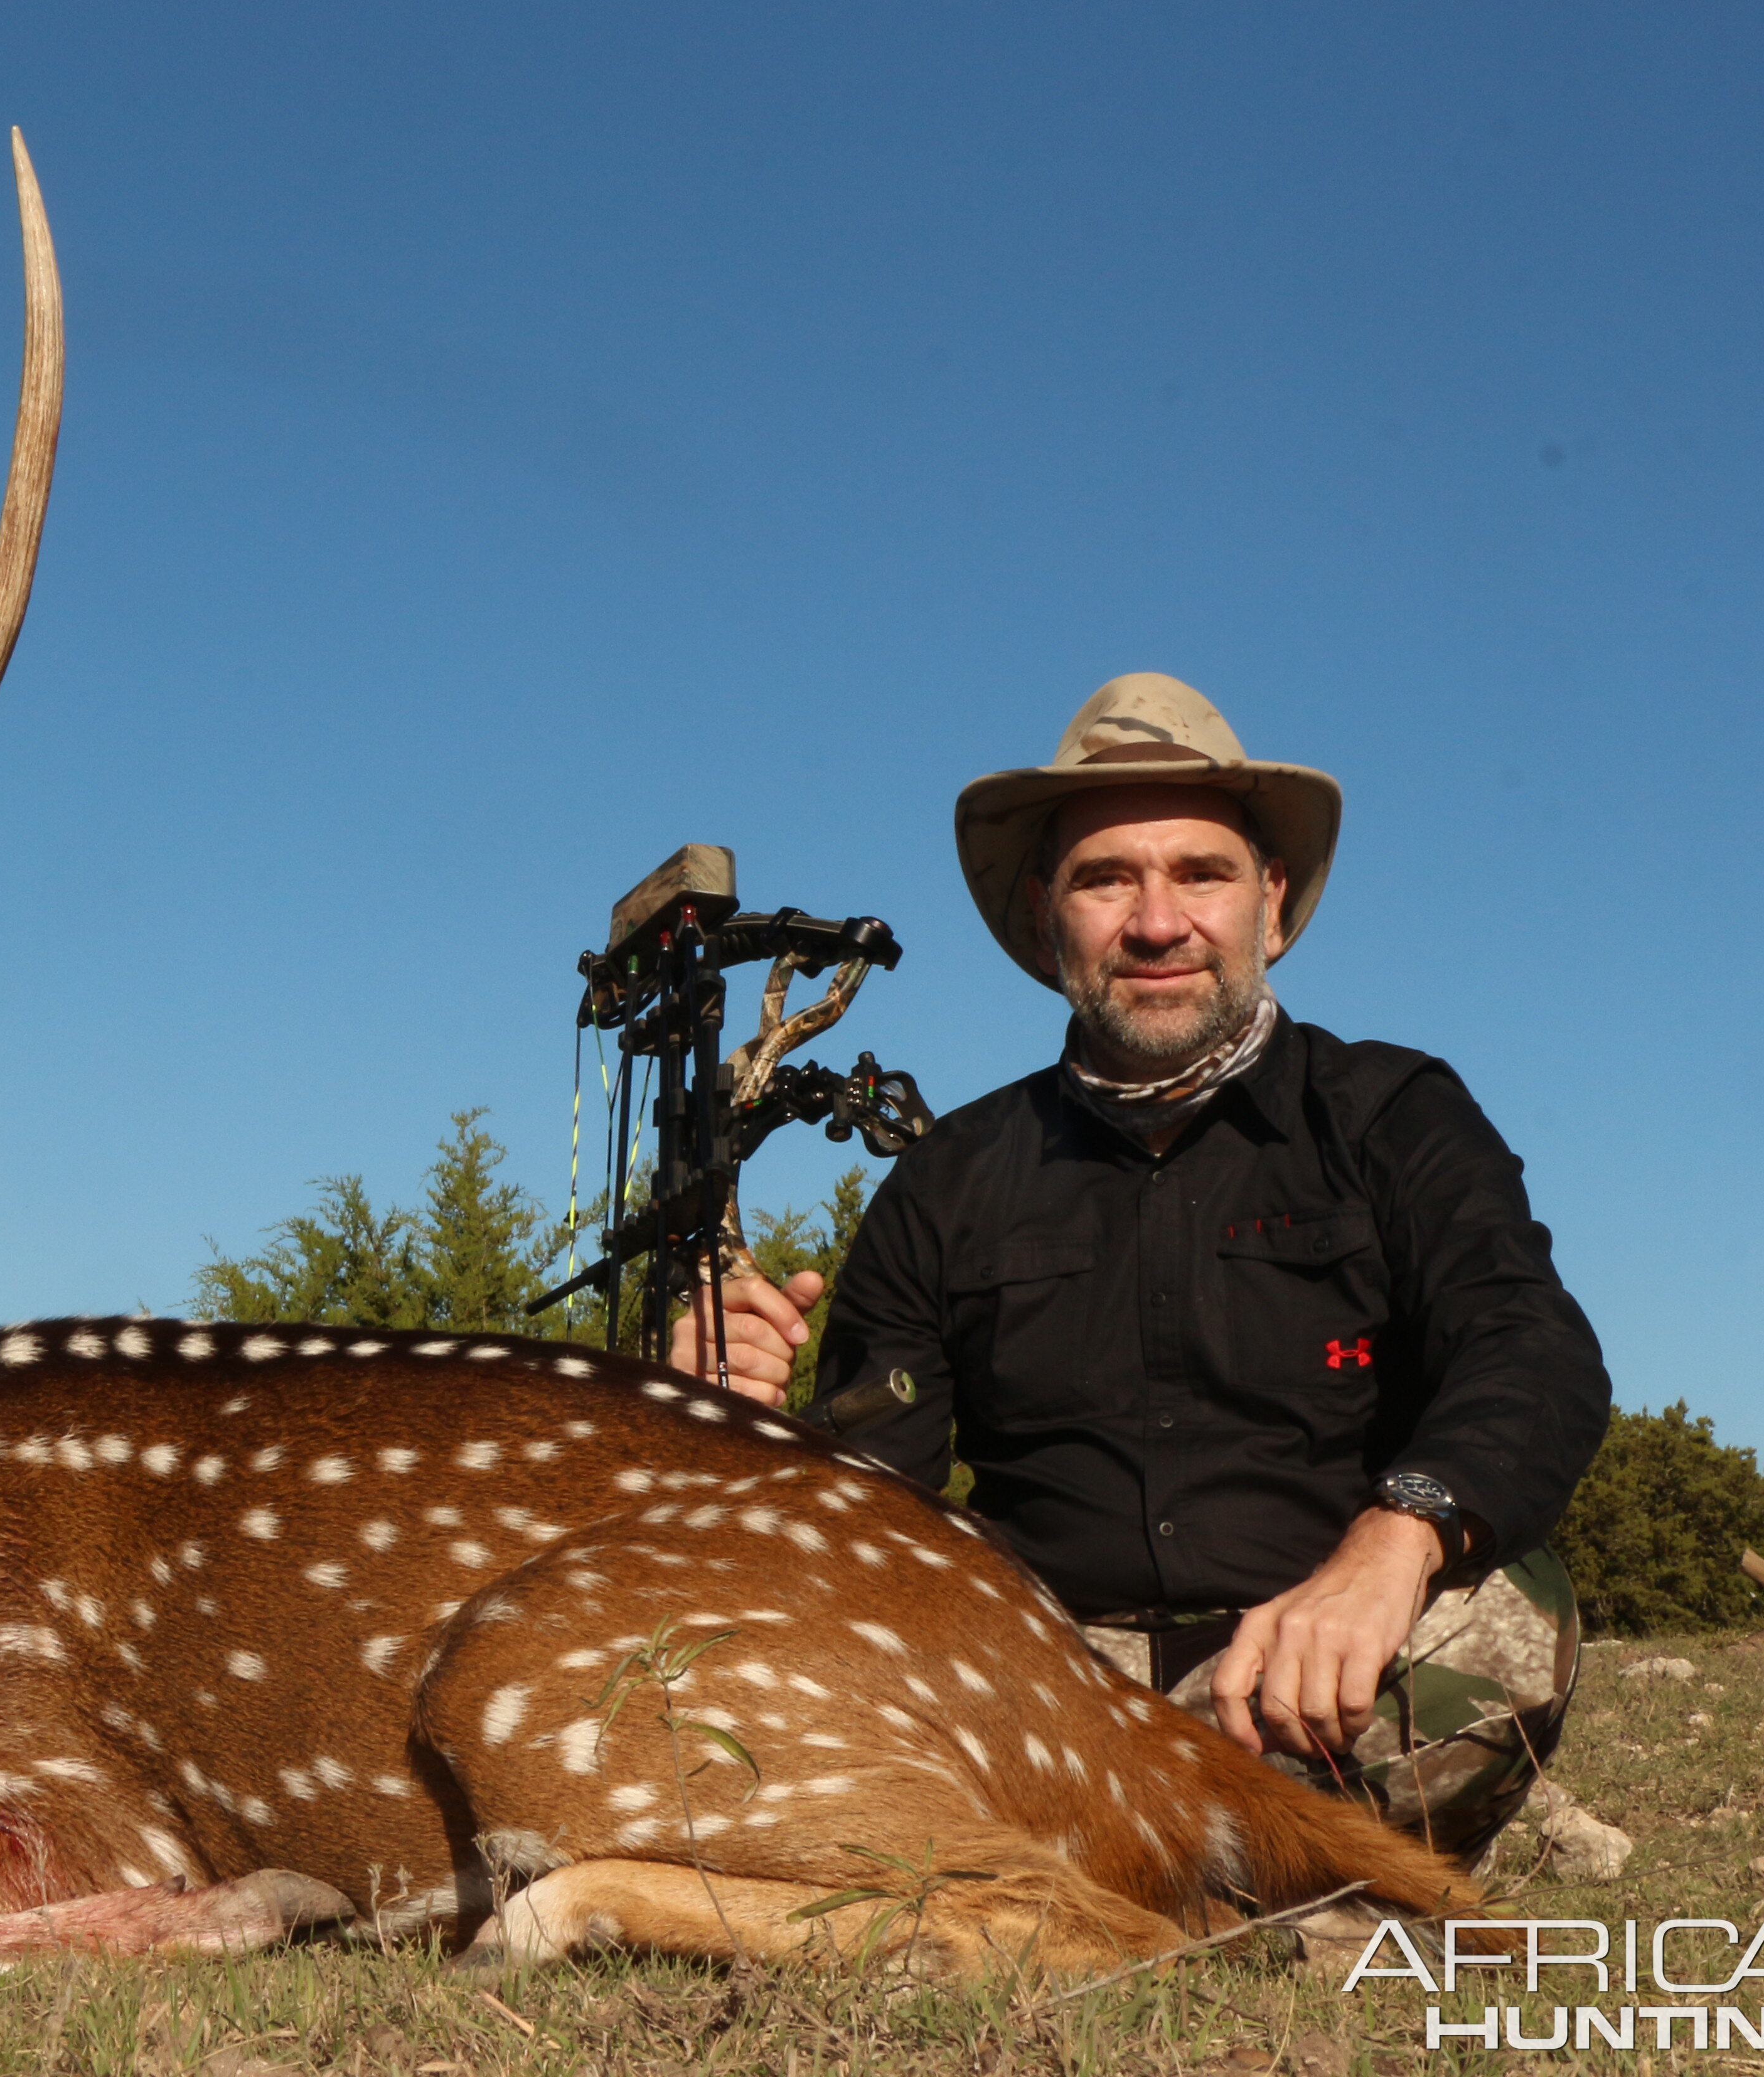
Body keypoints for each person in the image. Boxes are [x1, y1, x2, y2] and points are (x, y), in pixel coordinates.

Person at [673, 672, 1608, 1864]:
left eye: (1201, 874)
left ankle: (1087, 1870)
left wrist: (1391, 1546)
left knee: (1512, 1620)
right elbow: (875, 1502)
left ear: (1270, 902)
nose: (1157, 922)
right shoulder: (949, 1176)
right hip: (1045, 1687)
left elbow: (1531, 1350)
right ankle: (1250, 1875)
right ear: (1044, 912)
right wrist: (734, 1430)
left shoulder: (1395, 1113)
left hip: (1314, 1667)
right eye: (1106, 877)